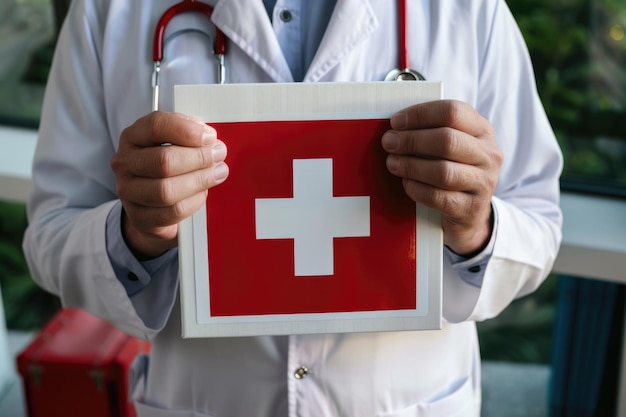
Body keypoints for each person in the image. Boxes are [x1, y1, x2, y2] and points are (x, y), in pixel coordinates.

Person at [22, 1, 563, 416]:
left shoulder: (468, 10)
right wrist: (136, 234)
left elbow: (537, 218)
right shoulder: (111, 11)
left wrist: (476, 228)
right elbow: (51, 232)